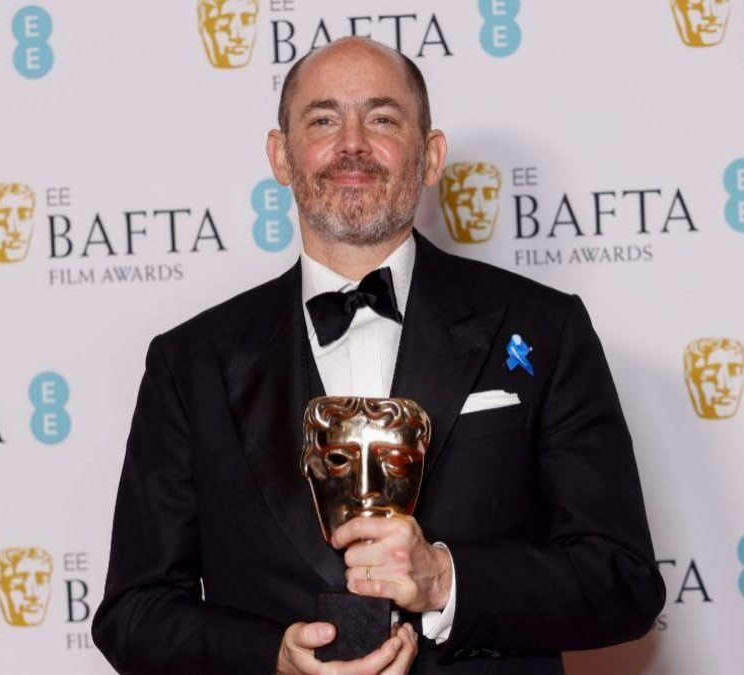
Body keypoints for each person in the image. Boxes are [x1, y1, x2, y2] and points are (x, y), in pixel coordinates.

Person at [93, 37, 664, 674]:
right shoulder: (189, 361)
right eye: (323, 120)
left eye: (384, 119)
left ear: (431, 155)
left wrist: (445, 579)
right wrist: (272, 659)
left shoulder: (544, 327)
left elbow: (625, 581)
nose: (353, 144)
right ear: (282, 156)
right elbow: (135, 613)